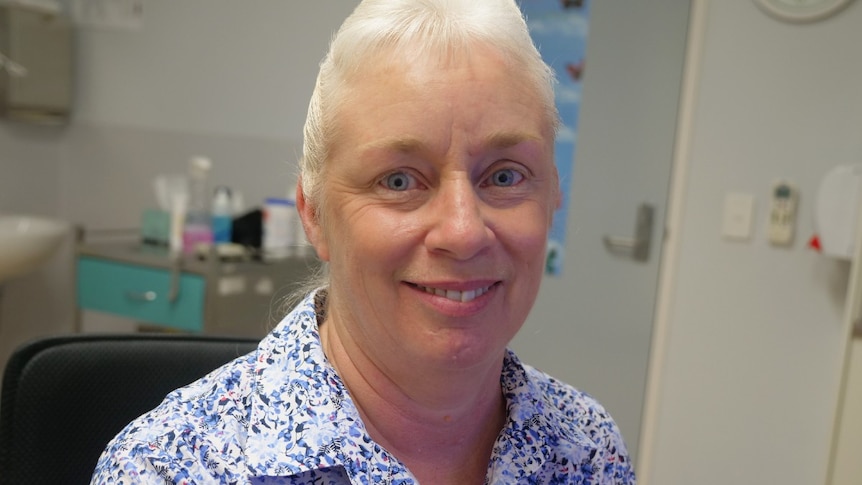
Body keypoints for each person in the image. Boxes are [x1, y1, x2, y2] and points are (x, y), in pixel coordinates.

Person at [91, 0, 636, 483]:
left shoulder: (586, 451)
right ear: (315, 215)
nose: (464, 231)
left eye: (505, 176)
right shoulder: (168, 469)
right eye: (399, 181)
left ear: (553, 197)